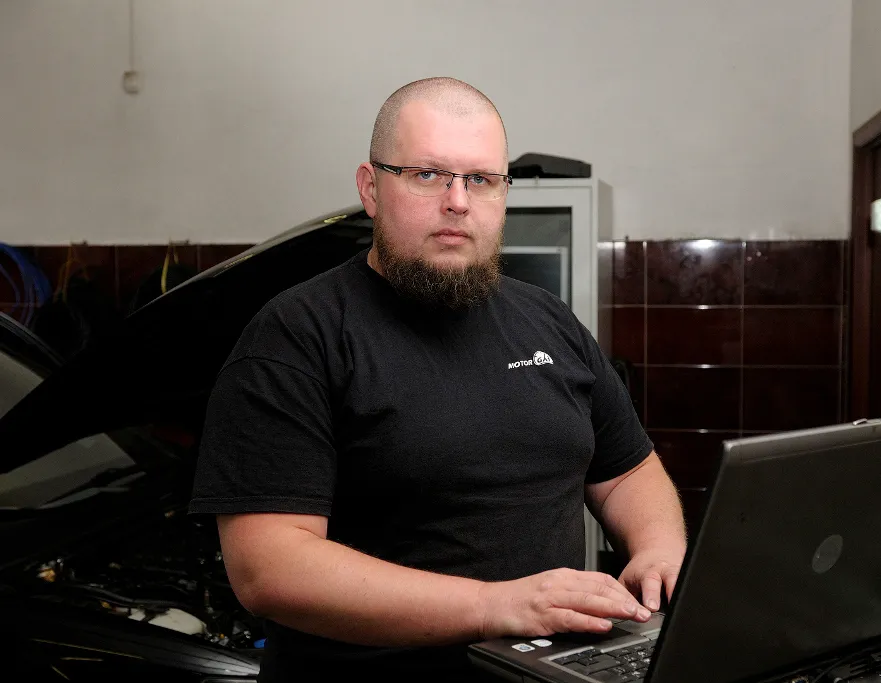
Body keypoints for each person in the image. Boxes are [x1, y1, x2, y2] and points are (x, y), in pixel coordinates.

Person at [189, 76, 687, 682]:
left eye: (481, 179)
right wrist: (493, 606)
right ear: (371, 188)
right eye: (427, 174)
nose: (458, 201)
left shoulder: (547, 319)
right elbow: (268, 569)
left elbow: (628, 472)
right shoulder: (296, 337)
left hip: (550, 671)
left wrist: (659, 550)